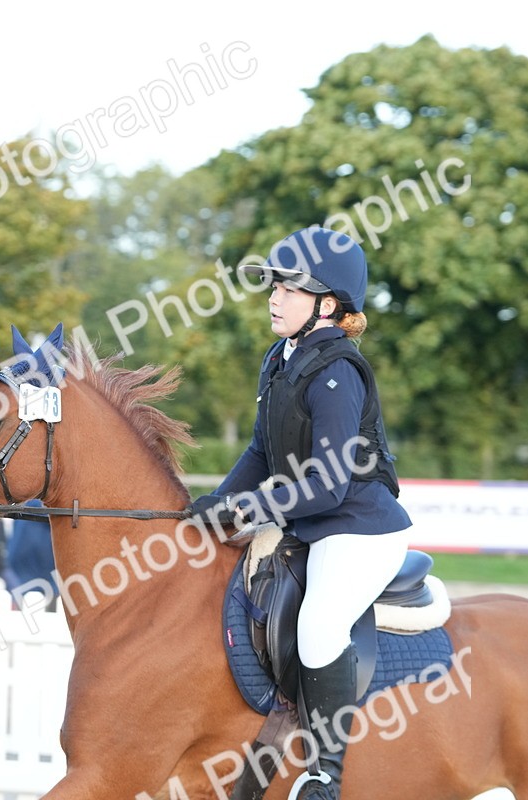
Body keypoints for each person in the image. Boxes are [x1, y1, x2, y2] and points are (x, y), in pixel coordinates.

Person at [187, 227, 412, 800]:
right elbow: (262, 451)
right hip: (306, 521)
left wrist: (249, 507)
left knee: (319, 626)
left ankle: (324, 778)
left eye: (290, 288)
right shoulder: (281, 358)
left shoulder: (337, 370)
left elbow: (330, 486)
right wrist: (218, 501)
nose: (275, 297)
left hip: (355, 528)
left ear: (327, 304)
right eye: (274, 285)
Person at [4, 499, 59, 612]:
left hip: (22, 560)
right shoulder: (49, 505)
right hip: (43, 562)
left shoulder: (20, 504)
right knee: (50, 608)